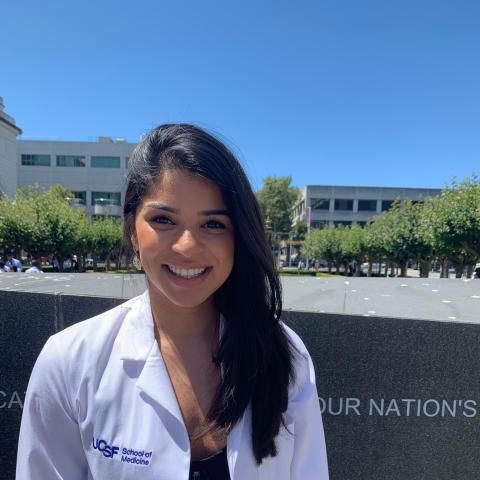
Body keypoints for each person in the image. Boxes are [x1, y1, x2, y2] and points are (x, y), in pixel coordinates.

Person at [17, 124, 328, 479]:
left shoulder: (284, 354)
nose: (186, 246)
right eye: (163, 219)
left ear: (238, 237)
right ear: (133, 231)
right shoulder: (69, 361)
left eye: (212, 224)